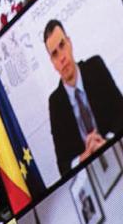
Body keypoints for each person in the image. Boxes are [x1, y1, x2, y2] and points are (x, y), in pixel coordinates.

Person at [44, 19, 123, 175]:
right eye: (54, 54)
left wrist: (107, 142)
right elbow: (63, 165)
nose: (62, 57)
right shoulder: (55, 103)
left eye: (62, 45)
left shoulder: (95, 66)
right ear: (52, 62)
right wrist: (83, 159)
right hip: (91, 175)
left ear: (70, 43)